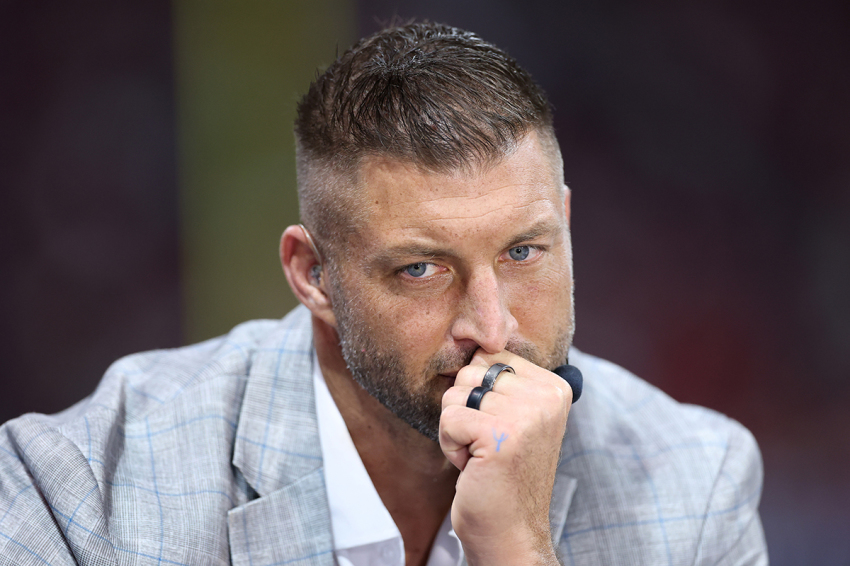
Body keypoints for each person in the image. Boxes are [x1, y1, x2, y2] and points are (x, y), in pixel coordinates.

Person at [0, 22, 767, 566]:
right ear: (312, 275)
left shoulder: (696, 482)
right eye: (420, 270)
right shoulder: (82, 496)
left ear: (565, 223)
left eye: (524, 250)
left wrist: (517, 555)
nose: (493, 330)